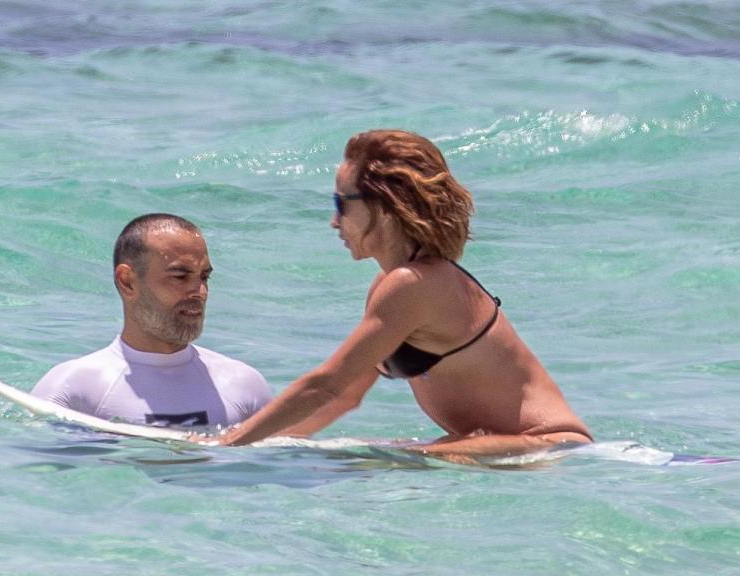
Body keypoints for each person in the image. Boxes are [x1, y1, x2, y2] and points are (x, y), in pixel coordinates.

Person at [216, 129, 592, 457]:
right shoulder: (390, 284)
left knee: (393, 460)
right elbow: (347, 395)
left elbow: (326, 385)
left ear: (382, 206)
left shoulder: (412, 285)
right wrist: (266, 448)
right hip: (495, 443)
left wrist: (228, 444)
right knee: (373, 455)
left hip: (550, 444)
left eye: (340, 204)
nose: (334, 222)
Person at [0, 213, 273, 428]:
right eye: (180, 276)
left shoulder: (244, 386)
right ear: (128, 281)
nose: (199, 291)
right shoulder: (75, 387)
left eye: (204, 277)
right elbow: (30, 480)